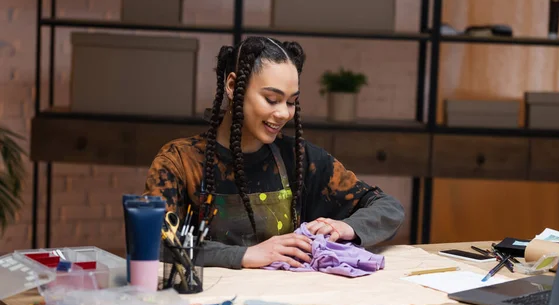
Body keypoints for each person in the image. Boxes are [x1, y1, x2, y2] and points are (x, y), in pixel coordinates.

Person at [143, 36, 405, 270]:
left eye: (291, 102)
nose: (283, 113)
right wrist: (246, 255)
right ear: (233, 86)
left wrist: (347, 226)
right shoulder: (179, 161)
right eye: (271, 99)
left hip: (283, 304)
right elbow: (153, 242)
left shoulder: (300, 160)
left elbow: (389, 207)